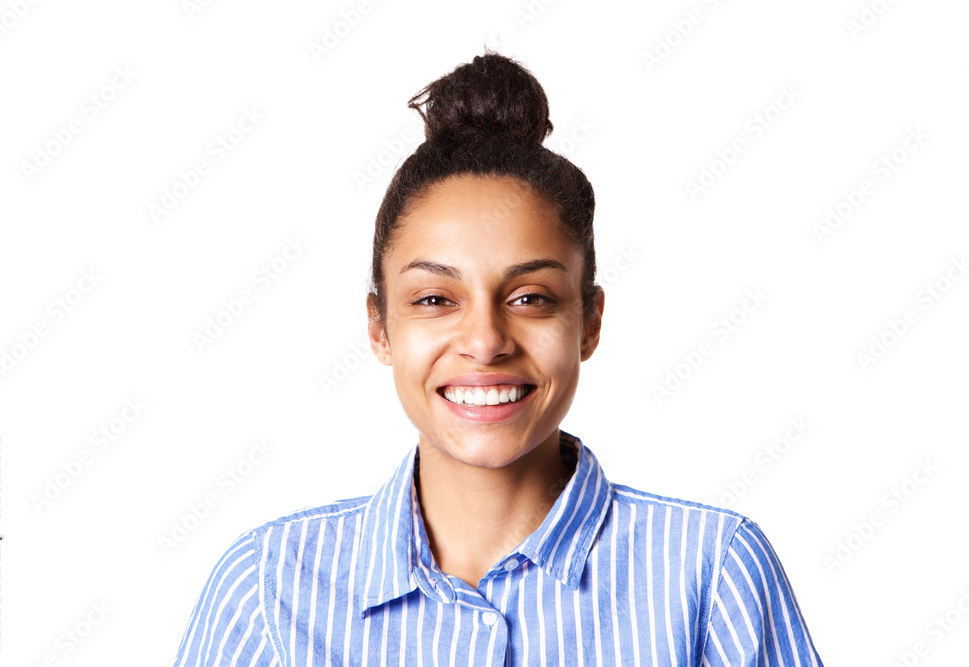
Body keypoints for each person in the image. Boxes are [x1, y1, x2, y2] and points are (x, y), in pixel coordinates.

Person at [173, 51, 824, 666]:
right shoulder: (269, 587)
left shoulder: (712, 574)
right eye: (434, 298)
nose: (485, 340)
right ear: (379, 326)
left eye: (530, 297)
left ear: (589, 321)